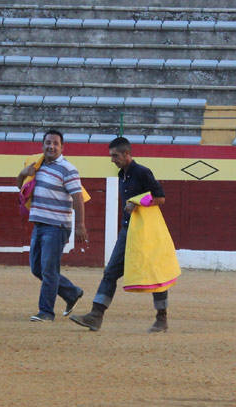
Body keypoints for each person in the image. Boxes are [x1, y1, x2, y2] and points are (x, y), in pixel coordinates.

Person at [70, 136, 168, 332]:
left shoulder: (142, 172)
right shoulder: (121, 174)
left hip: (145, 232)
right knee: (111, 272)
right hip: (128, 231)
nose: (112, 160)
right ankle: (95, 315)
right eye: (111, 156)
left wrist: (138, 201)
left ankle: (161, 319)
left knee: (156, 273)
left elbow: (160, 198)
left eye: (115, 156)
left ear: (127, 154)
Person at [16, 129, 87, 322]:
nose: (51, 146)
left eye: (56, 143)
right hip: (39, 224)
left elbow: (78, 198)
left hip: (57, 225)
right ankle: (72, 292)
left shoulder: (68, 168)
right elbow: (20, 187)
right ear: (42, 145)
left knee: (48, 270)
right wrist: (23, 173)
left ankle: (46, 312)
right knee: (37, 269)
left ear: (62, 147)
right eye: (48, 142)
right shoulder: (36, 166)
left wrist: (80, 225)